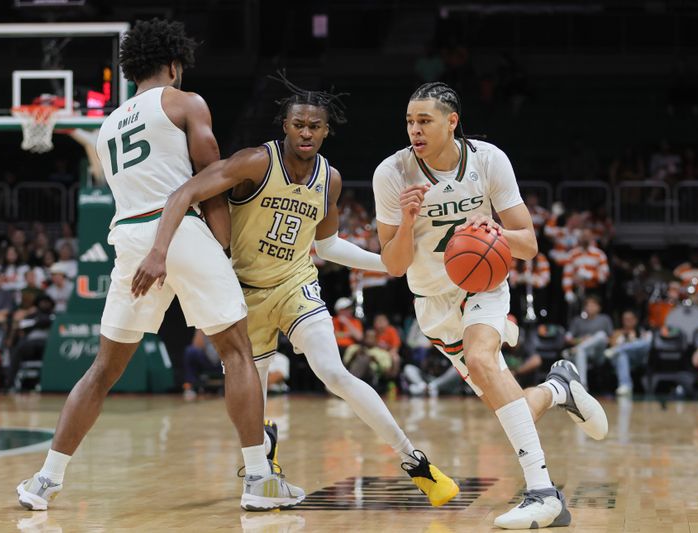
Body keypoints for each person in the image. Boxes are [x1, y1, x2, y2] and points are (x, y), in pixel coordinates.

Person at [132, 72, 459, 507]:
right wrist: (159, 250)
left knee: (335, 372)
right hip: (242, 292)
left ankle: (414, 462)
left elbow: (325, 245)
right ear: (285, 125)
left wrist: (385, 264)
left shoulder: (331, 179)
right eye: (299, 124)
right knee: (254, 404)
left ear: (326, 130)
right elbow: (184, 192)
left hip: (295, 283)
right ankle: (263, 467)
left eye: (315, 126)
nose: (306, 132)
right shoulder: (254, 162)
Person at [17, 19, 302, 513]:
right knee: (236, 352)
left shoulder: (108, 126)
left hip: (128, 238)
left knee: (103, 369)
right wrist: (224, 250)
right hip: (179, 229)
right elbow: (210, 182)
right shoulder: (184, 102)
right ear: (174, 64)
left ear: (131, 70)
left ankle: (45, 480)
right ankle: (259, 479)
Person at [372, 82, 609, 529]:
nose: (414, 130)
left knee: (482, 361)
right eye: (409, 121)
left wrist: (494, 231)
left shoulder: (488, 160)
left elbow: (530, 245)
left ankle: (542, 492)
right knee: (511, 406)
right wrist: (406, 221)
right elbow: (394, 265)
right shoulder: (393, 173)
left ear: (451, 122)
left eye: (424, 121)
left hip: (483, 284)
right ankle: (559, 389)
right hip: (433, 302)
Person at [604, 310, 652, 396]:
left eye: (630, 319)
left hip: (638, 359)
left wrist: (632, 341)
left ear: (635, 320)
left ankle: (619, 349)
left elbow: (647, 346)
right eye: (625, 319)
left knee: (646, 343)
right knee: (622, 355)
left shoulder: (642, 332)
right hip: (620, 361)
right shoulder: (617, 333)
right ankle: (625, 386)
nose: (628, 321)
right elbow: (612, 346)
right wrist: (624, 338)